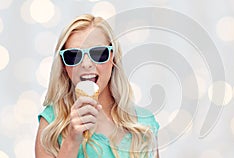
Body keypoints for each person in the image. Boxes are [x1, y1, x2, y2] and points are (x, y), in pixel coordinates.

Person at [35, 14, 160, 158]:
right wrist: (72, 140)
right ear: (64, 65)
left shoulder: (144, 124)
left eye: (98, 53)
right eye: (73, 55)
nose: (86, 64)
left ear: (113, 57)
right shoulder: (51, 123)